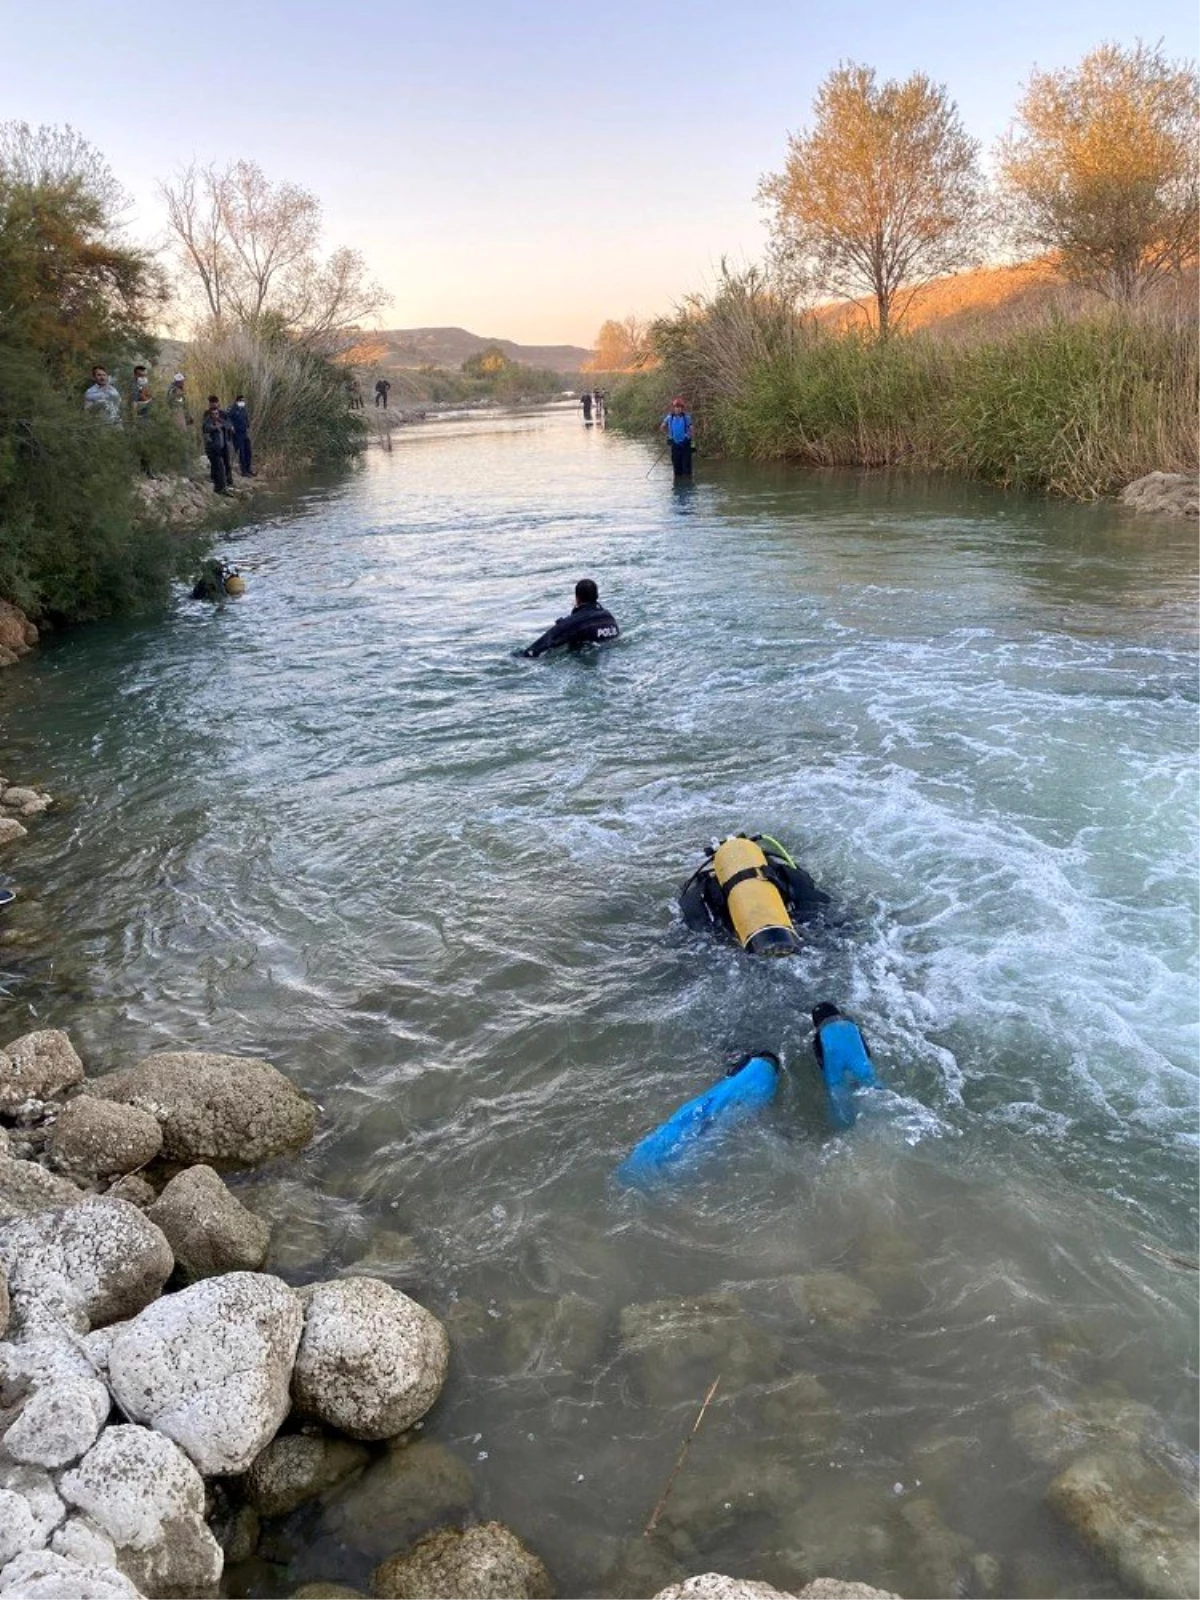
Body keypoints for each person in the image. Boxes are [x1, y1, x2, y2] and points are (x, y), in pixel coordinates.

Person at [679, 834, 829, 956]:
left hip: (746, 940)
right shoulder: (775, 870)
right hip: (791, 928)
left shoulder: (708, 881)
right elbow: (804, 883)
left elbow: (691, 908)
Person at [810, 1002, 879, 1129]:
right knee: (874, 1092)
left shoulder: (818, 1036)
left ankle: (844, 1131)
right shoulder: (853, 1026)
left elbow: (821, 1062)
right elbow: (867, 1052)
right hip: (861, 1068)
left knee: (841, 1108)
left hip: (836, 1074)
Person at [517, 578, 620, 659]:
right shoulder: (609, 617)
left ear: (577, 598)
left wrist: (522, 656)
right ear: (596, 596)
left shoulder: (575, 622)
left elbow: (540, 646)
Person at [201, 396, 231, 493]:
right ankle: (219, 486)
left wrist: (224, 426)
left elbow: (228, 424)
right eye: (211, 403)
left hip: (222, 444)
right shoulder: (207, 417)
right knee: (218, 466)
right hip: (213, 448)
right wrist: (215, 427)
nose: (216, 415)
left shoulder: (222, 415)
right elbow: (206, 428)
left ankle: (226, 482)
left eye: (217, 413)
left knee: (225, 463)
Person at [660, 397, 693, 477]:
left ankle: (688, 485)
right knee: (677, 469)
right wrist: (669, 437)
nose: (678, 409)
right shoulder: (669, 418)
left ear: (682, 408)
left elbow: (692, 429)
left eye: (679, 407)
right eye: (676, 407)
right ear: (673, 408)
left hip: (685, 444)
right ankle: (678, 485)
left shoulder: (687, 417)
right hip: (674, 444)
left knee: (687, 468)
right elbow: (662, 427)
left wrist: (687, 437)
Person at [228, 394, 255, 476]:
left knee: (248, 451)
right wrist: (231, 426)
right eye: (241, 401)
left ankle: (248, 469)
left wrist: (247, 425)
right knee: (242, 452)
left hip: (244, 432)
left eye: (243, 401)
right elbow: (228, 418)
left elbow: (246, 418)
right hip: (237, 433)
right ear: (237, 401)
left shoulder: (243, 409)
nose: (243, 402)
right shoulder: (233, 409)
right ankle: (244, 471)